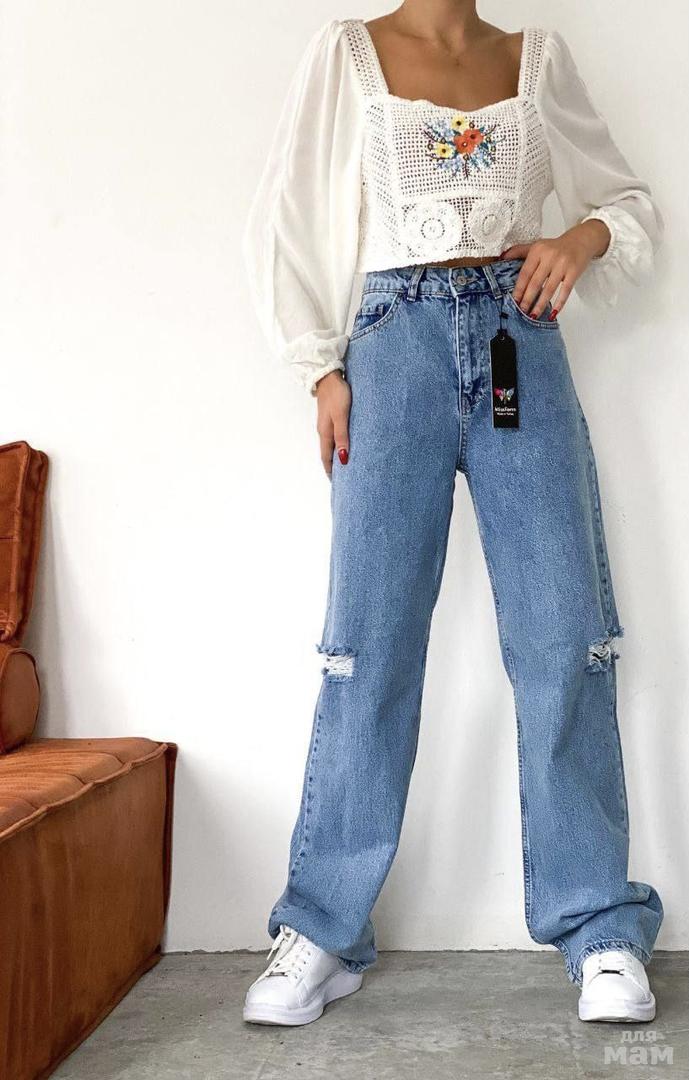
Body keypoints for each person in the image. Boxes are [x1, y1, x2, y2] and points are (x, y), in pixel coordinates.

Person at [241, 1, 664, 1027]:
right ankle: (322, 930)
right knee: (368, 645)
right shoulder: (346, 54)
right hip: (390, 351)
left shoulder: (535, 60)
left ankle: (597, 929)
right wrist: (319, 369)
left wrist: (578, 237)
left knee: (562, 638)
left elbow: (626, 203)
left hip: (521, 341)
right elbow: (287, 215)